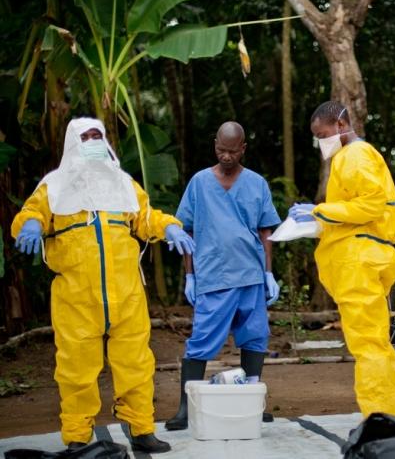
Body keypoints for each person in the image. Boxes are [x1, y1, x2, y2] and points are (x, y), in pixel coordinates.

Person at [11, 117, 194, 453]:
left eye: (98, 135)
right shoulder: (54, 187)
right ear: (73, 144)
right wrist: (32, 224)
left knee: (136, 364)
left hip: (126, 295)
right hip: (76, 298)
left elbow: (145, 216)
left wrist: (169, 227)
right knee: (76, 370)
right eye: (87, 136)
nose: (94, 141)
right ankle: (78, 435)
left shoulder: (124, 185)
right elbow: (31, 212)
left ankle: (141, 428)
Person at [288, 101, 395, 417]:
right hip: (362, 256)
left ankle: (380, 420)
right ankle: (391, 417)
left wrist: (318, 211)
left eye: (322, 134)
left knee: (368, 346)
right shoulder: (350, 157)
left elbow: (370, 205)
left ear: (341, 124)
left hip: (359, 260)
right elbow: (354, 212)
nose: (320, 141)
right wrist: (317, 221)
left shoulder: (354, 155)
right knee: (376, 345)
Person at [165, 121, 281, 431]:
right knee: (202, 339)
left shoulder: (257, 184)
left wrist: (269, 272)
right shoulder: (200, 183)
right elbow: (185, 230)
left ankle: (253, 404)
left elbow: (265, 231)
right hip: (214, 275)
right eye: (220, 150)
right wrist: (190, 276)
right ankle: (186, 408)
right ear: (214, 144)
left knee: (256, 337)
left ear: (243, 148)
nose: (226, 156)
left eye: (232, 151)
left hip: (251, 274)